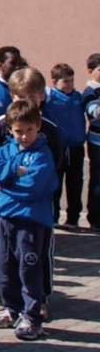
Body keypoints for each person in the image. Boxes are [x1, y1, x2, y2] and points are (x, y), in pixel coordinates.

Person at [0, 67, 65, 321]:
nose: (23, 104)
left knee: (38, 252)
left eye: (29, 98)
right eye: (18, 98)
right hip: (5, 199)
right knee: (7, 253)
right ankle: (12, 301)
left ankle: (41, 298)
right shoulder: (0, 126)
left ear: (41, 97)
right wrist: (4, 179)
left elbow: (58, 160)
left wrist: (39, 182)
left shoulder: (48, 128)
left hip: (37, 203)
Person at [0, 100, 58, 341]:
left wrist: (5, 186)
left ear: (38, 127)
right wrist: (13, 171)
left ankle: (33, 316)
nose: (24, 136)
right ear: (10, 130)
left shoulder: (42, 154)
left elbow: (33, 187)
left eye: (29, 130)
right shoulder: (5, 150)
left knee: (28, 269)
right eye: (18, 131)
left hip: (31, 222)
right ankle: (11, 308)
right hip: (6, 218)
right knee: (4, 266)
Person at [45, 64, 87, 228]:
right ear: (54, 81)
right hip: (57, 148)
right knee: (55, 183)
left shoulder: (77, 96)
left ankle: (73, 218)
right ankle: (53, 217)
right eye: (66, 81)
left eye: (72, 80)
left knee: (75, 183)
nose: (70, 84)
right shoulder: (49, 97)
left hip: (76, 147)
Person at [81, 53, 100, 230]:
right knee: (97, 180)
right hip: (97, 142)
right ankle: (95, 218)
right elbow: (94, 112)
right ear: (90, 71)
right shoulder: (90, 91)